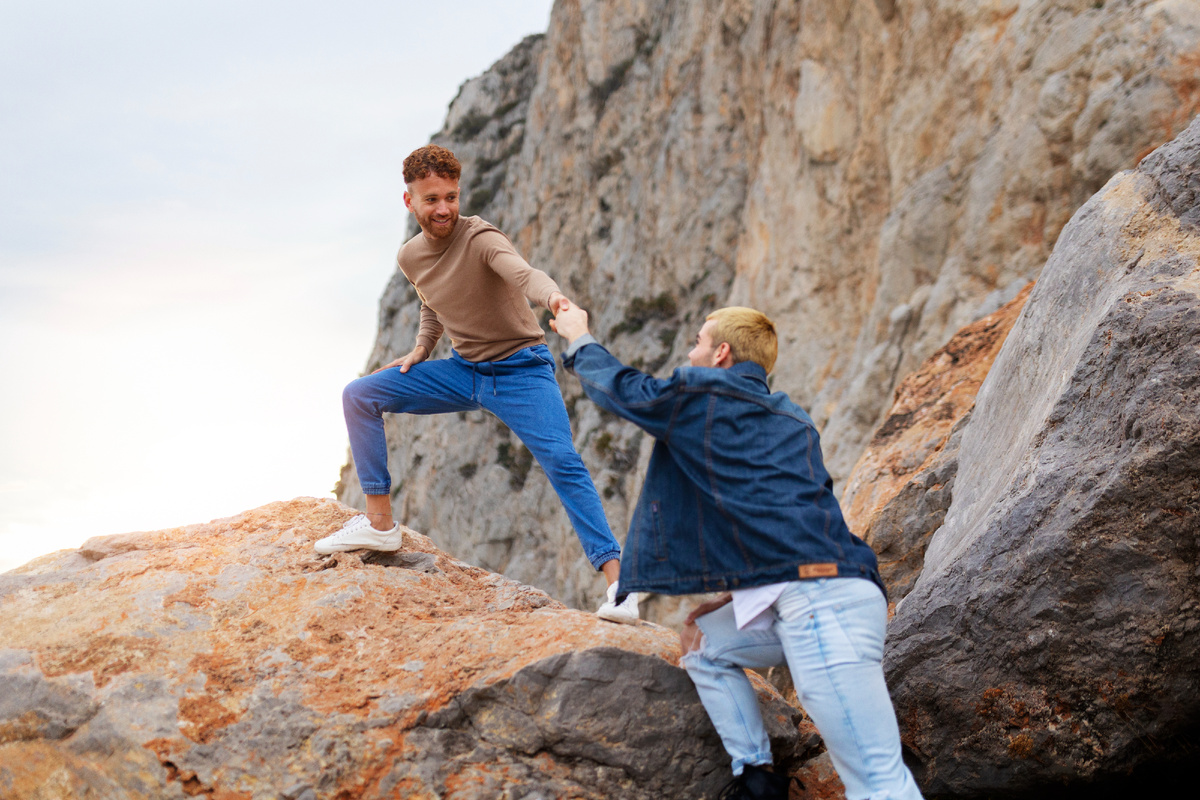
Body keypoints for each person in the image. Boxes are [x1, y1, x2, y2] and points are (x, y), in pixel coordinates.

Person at [549, 303, 924, 800]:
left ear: (721, 352)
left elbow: (625, 392)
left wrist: (578, 336)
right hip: (818, 595)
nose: (691, 353)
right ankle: (757, 780)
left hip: (822, 605)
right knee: (702, 642)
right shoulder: (793, 418)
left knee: (878, 782)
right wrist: (740, 592)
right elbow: (789, 513)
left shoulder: (705, 394)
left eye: (698, 343)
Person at [318, 144, 637, 624]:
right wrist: (422, 347)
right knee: (360, 394)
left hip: (521, 371)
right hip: (464, 371)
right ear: (410, 201)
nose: (443, 208)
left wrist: (556, 301)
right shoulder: (410, 256)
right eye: (431, 199)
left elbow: (524, 274)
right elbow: (432, 300)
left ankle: (620, 588)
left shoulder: (481, 237)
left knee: (564, 462)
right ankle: (380, 524)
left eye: (451, 197)